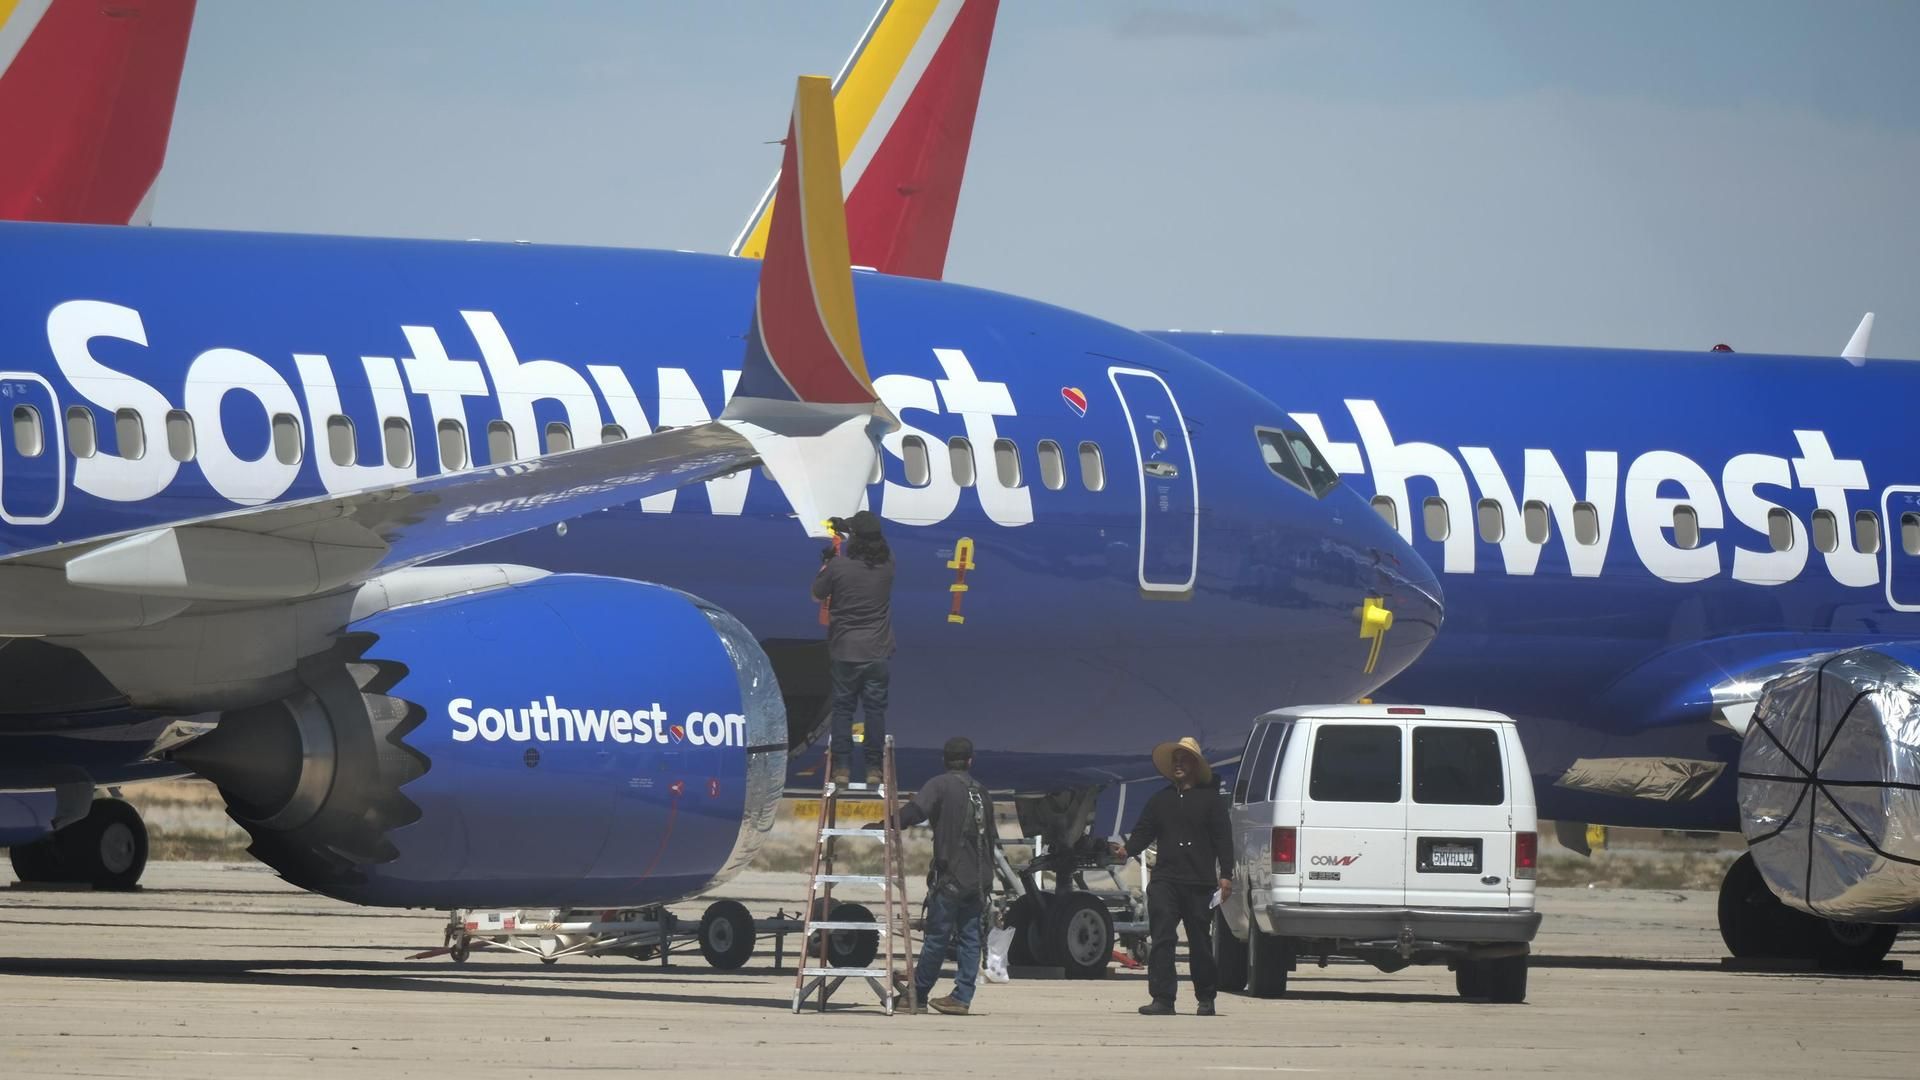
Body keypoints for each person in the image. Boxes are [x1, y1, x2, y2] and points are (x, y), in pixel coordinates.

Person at [1111, 736, 1234, 1016]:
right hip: (1166, 880)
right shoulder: (1161, 800)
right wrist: (1127, 850)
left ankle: (1206, 998)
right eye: (1175, 761)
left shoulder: (1211, 801)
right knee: (1163, 939)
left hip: (1199, 883)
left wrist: (1226, 876)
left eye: (1184, 760)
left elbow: (1223, 840)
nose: (1178, 765)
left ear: (1195, 765)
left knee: (1200, 943)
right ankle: (1163, 999)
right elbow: (1144, 830)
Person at [895, 736, 995, 1016]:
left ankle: (917, 995)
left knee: (937, 939)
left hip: (951, 879)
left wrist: (887, 823)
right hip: (978, 881)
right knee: (970, 938)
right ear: (970, 761)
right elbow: (992, 839)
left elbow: (914, 812)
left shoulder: (939, 784)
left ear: (944, 760)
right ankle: (962, 997)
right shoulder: (982, 791)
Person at [811, 510, 895, 785]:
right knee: (874, 711)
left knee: (843, 710)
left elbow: (817, 594)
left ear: (854, 541)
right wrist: (848, 530)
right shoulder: (888, 566)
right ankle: (874, 768)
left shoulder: (839, 567)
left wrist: (827, 562)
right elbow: (872, 544)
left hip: (845, 651)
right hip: (877, 652)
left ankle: (842, 768)